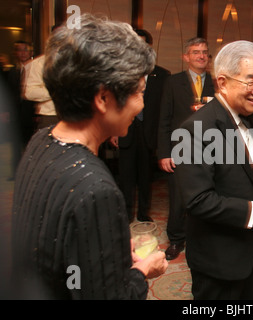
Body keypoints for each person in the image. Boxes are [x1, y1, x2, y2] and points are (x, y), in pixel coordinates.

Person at [11, 14, 168, 299]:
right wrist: (143, 271)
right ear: (103, 98)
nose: (141, 103)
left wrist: (107, 247)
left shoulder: (41, 141)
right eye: (139, 92)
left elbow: (60, 241)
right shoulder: (96, 190)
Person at [173, 40, 253, 300]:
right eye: (250, 82)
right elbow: (196, 200)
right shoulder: (194, 130)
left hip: (250, 250)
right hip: (218, 258)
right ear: (223, 82)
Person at [157, 37, 215, 260]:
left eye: (204, 52)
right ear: (186, 57)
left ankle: (202, 238)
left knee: (208, 194)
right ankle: (176, 239)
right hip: (179, 147)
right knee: (178, 196)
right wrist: (163, 153)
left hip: (210, 147)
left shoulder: (217, 82)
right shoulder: (173, 82)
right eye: (196, 52)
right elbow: (164, 119)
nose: (201, 56)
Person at [110, 29, 171, 223]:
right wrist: (113, 131)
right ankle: (126, 214)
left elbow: (163, 109)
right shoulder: (121, 72)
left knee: (146, 177)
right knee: (126, 176)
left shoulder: (162, 75)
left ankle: (143, 213)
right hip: (125, 130)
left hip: (149, 131)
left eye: (143, 43)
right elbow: (115, 104)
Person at [6, 41, 34, 179]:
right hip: (16, 112)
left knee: (29, 144)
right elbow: (10, 93)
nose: (22, 53)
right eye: (19, 50)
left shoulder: (35, 68)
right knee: (15, 143)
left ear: (31, 52)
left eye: (25, 50)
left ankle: (29, 173)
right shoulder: (12, 71)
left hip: (31, 112)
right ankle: (16, 172)